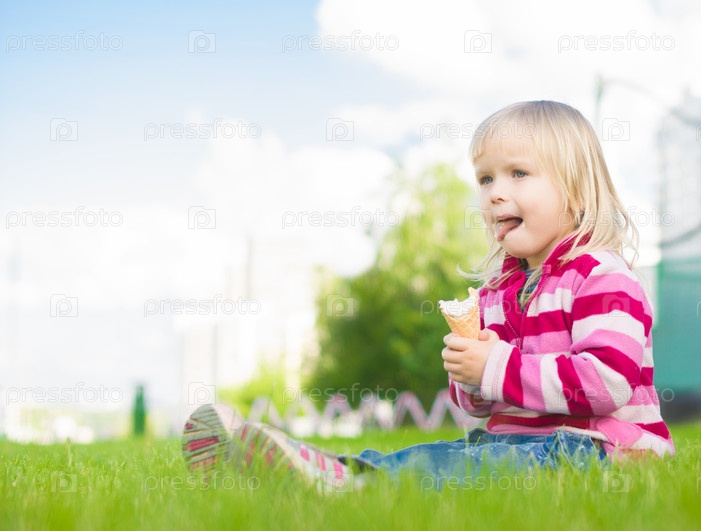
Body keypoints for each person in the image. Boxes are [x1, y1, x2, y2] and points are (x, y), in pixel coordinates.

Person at [182, 101, 674, 493]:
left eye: (518, 174)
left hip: (602, 453)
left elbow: (606, 383)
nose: (494, 193)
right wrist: (471, 379)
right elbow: (487, 402)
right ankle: (316, 467)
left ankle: (338, 480)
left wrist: (495, 367)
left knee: (464, 465)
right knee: (443, 455)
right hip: (517, 444)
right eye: (485, 178)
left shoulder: (603, 278)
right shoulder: (499, 292)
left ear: (577, 191)